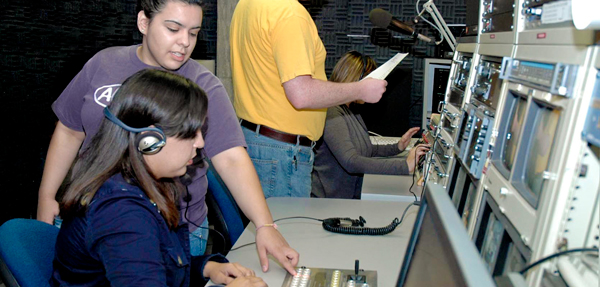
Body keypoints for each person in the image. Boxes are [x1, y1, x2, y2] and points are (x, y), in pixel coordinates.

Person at [37, 0, 298, 275]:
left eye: (193, 32)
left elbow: (231, 158)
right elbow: (69, 130)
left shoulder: (205, 85)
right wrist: (46, 195)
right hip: (92, 215)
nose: (184, 42)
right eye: (173, 28)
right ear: (144, 23)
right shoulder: (103, 64)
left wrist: (265, 225)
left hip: (171, 228)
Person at [52, 69, 266, 287]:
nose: (200, 143)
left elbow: (155, 266)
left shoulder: (146, 184)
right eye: (191, 133)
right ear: (150, 140)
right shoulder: (120, 211)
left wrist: (207, 268)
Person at [230, 0, 388, 198]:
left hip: (255, 141)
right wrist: (360, 90)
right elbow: (301, 94)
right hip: (282, 153)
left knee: (267, 225)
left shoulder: (247, 5)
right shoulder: (290, 13)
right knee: (286, 227)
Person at [311, 51, 430, 199]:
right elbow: (351, 161)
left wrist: (397, 147)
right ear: (357, 79)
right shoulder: (332, 112)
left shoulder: (351, 109)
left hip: (347, 198)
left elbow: (364, 148)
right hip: (331, 202)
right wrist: (405, 166)